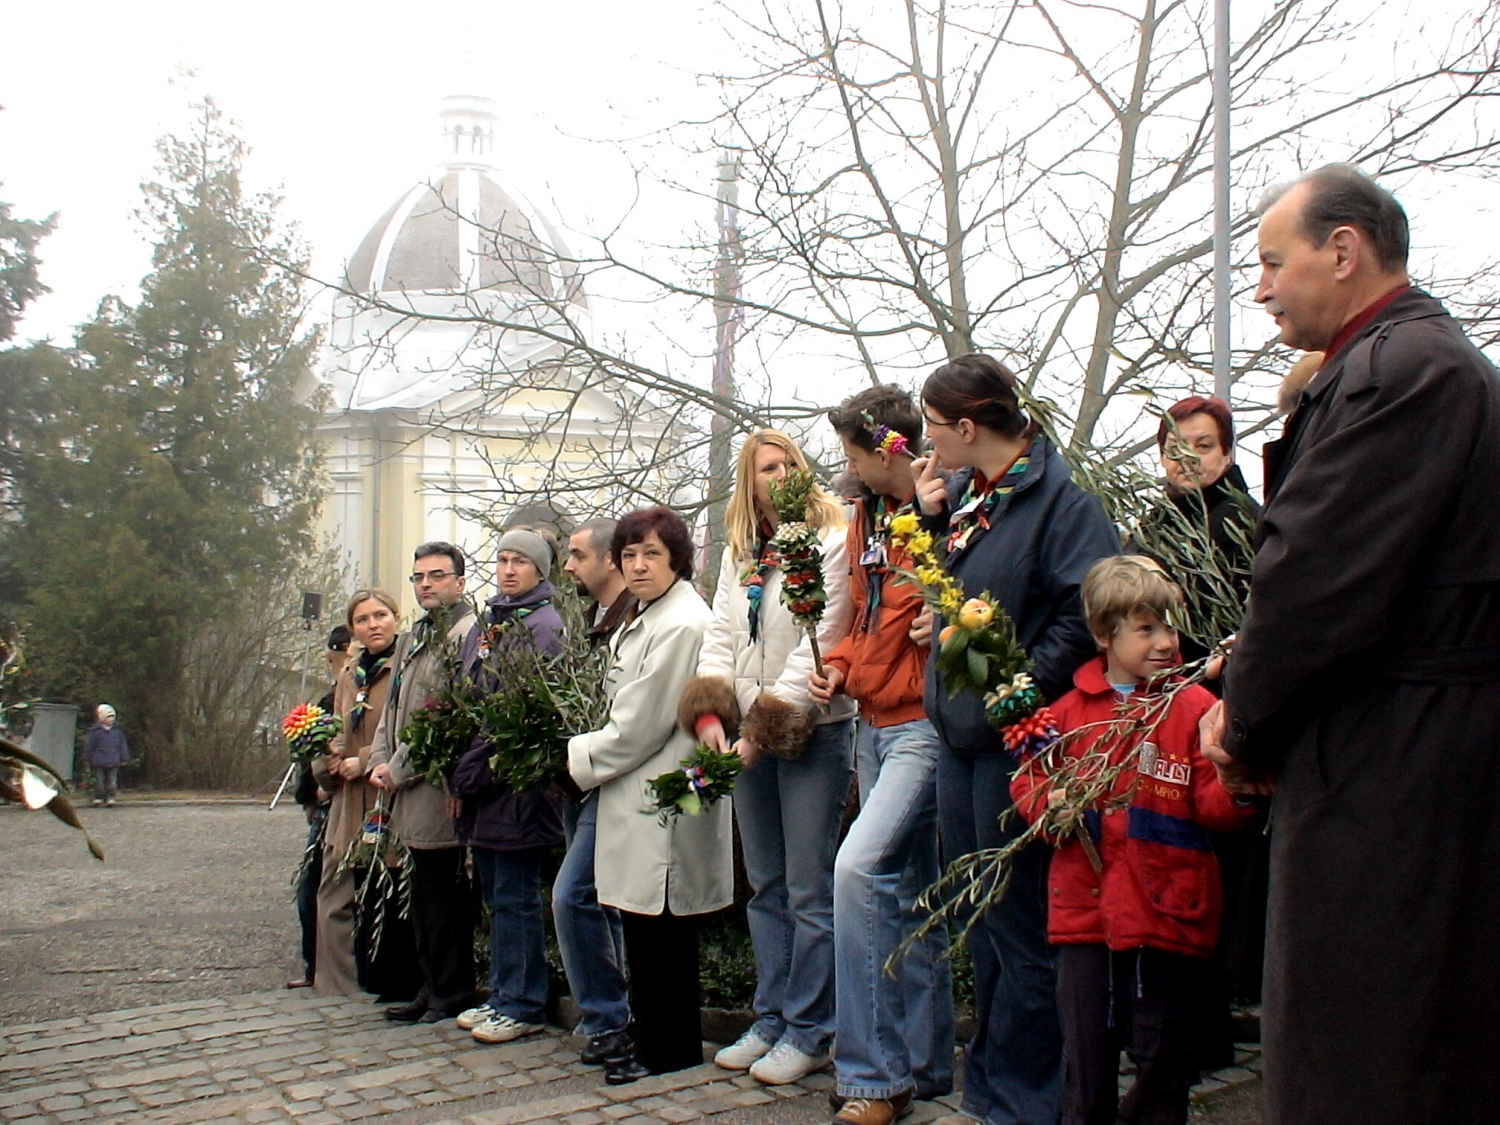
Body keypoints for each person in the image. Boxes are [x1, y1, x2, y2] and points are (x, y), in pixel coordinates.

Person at [1200, 164, 1500, 1124]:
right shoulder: (1417, 365)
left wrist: (1242, 722)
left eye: (1271, 262)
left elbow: (1313, 581)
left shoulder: (1400, 373)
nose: (1259, 289)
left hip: (1395, 761)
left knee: (1370, 1042)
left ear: (1343, 250)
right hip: (1402, 746)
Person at [913, 353, 1119, 1125]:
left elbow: (1083, 610)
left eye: (933, 428)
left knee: (1024, 925)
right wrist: (934, 528)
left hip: (1019, 743)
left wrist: (1018, 682)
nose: (927, 444)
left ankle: (1032, 1098)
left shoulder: (1061, 503)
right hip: (961, 738)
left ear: (968, 427)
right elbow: (964, 598)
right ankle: (992, 1083)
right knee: (983, 922)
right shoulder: (972, 495)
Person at [1012, 556, 1253, 1125]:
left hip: (1166, 914)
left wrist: (1239, 782)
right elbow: (1030, 779)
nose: (1167, 642)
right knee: (1086, 1059)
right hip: (1085, 919)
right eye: (1147, 629)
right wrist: (1052, 807)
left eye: (1170, 626)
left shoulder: (1195, 708)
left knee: (1163, 1056)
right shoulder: (1068, 715)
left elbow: (1215, 807)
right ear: (1103, 635)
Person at [684, 429, 854, 1087]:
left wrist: (759, 733)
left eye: (787, 464)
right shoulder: (740, 551)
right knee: (766, 882)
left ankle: (813, 1028)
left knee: (810, 887)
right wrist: (710, 715)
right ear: (748, 481)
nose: (777, 476)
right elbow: (721, 637)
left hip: (810, 732)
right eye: (765, 467)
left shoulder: (829, 543)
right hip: (746, 735)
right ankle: (773, 1014)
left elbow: (819, 639)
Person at [810, 386, 954, 1125]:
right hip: (873, 718)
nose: (849, 468)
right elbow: (866, 616)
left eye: (853, 455)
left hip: (924, 724)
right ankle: (927, 1061)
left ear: (883, 450)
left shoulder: (942, 507)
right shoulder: (866, 515)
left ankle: (872, 1076)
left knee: (857, 867)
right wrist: (837, 662)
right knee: (908, 892)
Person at [568, 507, 731, 1084]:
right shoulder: (647, 612)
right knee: (642, 918)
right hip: (639, 788)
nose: (638, 565)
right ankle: (655, 1033)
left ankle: (669, 1047)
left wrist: (574, 758)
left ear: (676, 560)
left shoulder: (682, 621)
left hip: (664, 788)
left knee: (661, 919)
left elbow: (641, 723)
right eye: (630, 554)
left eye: (652, 555)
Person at [1133, 395, 1264, 1070]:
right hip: (1159, 718)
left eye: (1202, 447)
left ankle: (1204, 1024)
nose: (1187, 460)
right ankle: (1173, 1022)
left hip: (1218, 718)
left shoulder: (1247, 525)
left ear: (1228, 452)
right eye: (1176, 448)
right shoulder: (1152, 525)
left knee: (1216, 871)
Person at [450, 529, 566, 1045]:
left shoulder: (545, 625)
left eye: (521, 561)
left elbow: (531, 709)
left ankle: (523, 1002)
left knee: (516, 896)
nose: (509, 569)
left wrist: (480, 764)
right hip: (483, 782)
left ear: (541, 570)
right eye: (502, 559)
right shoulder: (488, 624)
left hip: (518, 782)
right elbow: (467, 698)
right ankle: (502, 994)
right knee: (496, 893)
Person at [369, 542, 479, 1025]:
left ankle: (451, 991)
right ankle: (427, 986)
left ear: (460, 580)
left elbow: (447, 718)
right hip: (400, 789)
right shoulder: (414, 636)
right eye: (418, 577)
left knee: (443, 899)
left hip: (438, 787)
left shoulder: (467, 636)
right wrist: (378, 757)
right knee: (417, 896)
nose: (426, 584)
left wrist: (398, 768)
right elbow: (391, 709)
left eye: (437, 575)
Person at [554, 518, 635, 1067]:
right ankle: (613, 1013)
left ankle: (610, 1014)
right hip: (582, 776)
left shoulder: (633, 615)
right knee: (598, 899)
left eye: (577, 555)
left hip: (610, 778)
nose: (568, 566)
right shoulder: (590, 618)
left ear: (609, 560)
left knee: (572, 894)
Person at [311, 594, 403, 999]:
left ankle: (387, 980)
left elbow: (409, 730)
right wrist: (327, 758)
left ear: (396, 618)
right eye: (362, 619)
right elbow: (335, 725)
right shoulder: (350, 671)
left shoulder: (405, 665)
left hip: (388, 795)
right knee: (333, 890)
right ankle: (337, 984)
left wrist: (364, 760)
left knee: (387, 887)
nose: (373, 625)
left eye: (380, 615)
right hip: (348, 799)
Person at [289, 624, 352, 990]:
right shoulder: (325, 703)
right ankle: (315, 967)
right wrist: (310, 795)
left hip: (349, 803)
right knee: (312, 892)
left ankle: (336, 971)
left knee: (333, 893)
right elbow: (306, 759)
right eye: (340, 650)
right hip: (324, 808)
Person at [83, 704, 129, 807]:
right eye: (108, 717)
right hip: (98, 761)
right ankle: (98, 797)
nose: (111, 719)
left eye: (112, 717)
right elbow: (89, 746)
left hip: (113, 761)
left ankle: (111, 797)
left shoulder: (117, 731)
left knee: (112, 782)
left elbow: (122, 745)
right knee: (99, 782)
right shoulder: (95, 732)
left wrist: (124, 757)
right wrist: (86, 758)